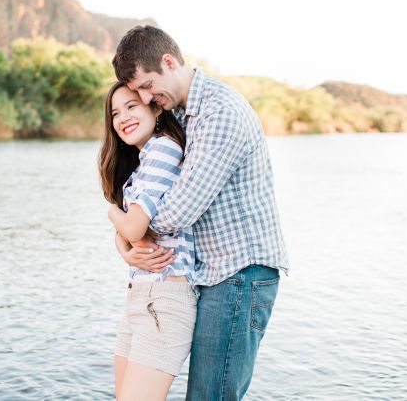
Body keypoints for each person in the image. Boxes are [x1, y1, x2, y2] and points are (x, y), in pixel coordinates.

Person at [111, 26, 290, 401]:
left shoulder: (219, 112)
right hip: (211, 274)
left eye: (146, 85)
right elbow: (151, 201)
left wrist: (129, 229)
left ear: (169, 62)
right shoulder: (181, 114)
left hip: (240, 272)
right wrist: (126, 238)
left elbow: (176, 212)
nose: (145, 97)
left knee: (212, 396)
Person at [98, 81, 197, 401]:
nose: (122, 117)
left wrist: (113, 214)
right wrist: (124, 247)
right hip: (141, 294)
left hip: (164, 297)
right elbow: (130, 234)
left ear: (155, 108)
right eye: (115, 113)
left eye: (131, 106)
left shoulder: (163, 148)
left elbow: (134, 228)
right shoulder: (142, 164)